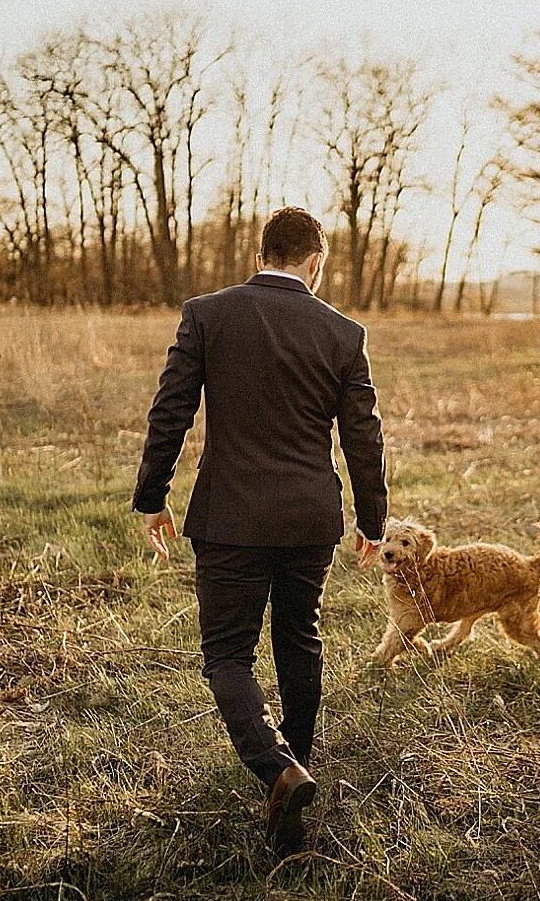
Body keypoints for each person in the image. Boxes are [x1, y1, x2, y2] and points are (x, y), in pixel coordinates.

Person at [132, 206, 389, 855]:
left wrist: (151, 497)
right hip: (309, 517)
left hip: (230, 516)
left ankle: (278, 773)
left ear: (258, 257)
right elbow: (363, 434)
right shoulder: (343, 332)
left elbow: (171, 412)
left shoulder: (208, 315)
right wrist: (372, 520)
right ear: (315, 264)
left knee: (227, 655)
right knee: (299, 635)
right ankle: (293, 765)